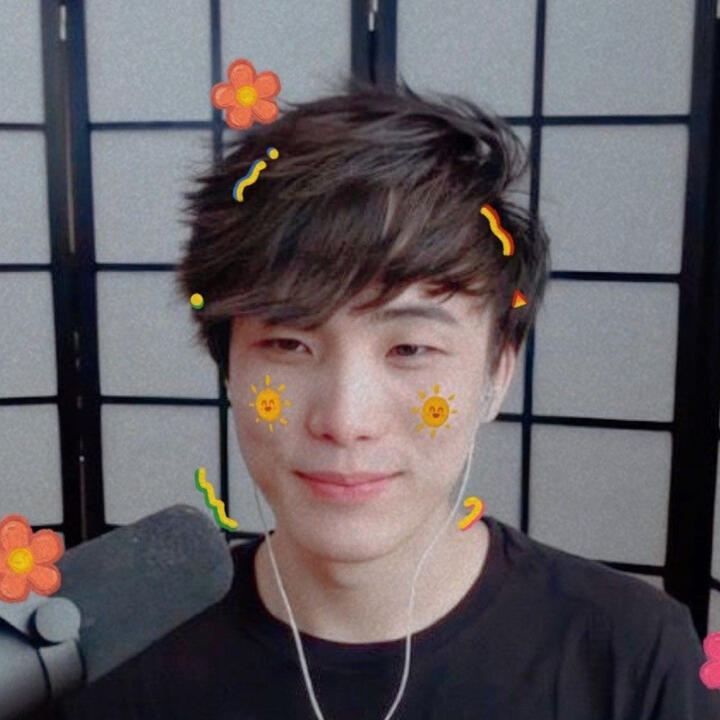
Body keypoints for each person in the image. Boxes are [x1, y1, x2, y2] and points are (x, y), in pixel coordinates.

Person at [30, 82, 719, 719]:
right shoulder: (118, 659)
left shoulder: (631, 656)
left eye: (410, 349)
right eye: (289, 345)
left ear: (497, 373)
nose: (344, 420)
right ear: (229, 367)